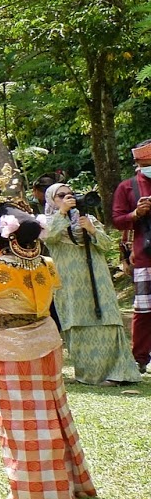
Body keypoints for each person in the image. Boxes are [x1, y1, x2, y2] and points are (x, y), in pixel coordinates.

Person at [0, 199, 95, 499]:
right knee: (52, 412)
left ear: (2, 237)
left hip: (8, 349)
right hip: (46, 342)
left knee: (20, 421)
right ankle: (68, 482)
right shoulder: (47, 265)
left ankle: (33, 491)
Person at [44, 183, 139, 385]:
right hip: (69, 282)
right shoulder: (47, 221)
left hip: (97, 278)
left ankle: (119, 373)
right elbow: (50, 238)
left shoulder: (89, 219)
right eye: (61, 196)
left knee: (107, 321)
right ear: (52, 199)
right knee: (77, 322)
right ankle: (90, 374)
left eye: (71, 194)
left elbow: (105, 245)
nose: (68, 198)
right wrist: (62, 214)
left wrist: (91, 230)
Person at [111, 139, 151, 373]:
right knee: (144, 310)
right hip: (144, 255)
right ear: (137, 163)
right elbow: (117, 220)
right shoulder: (127, 187)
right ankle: (140, 358)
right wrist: (136, 213)